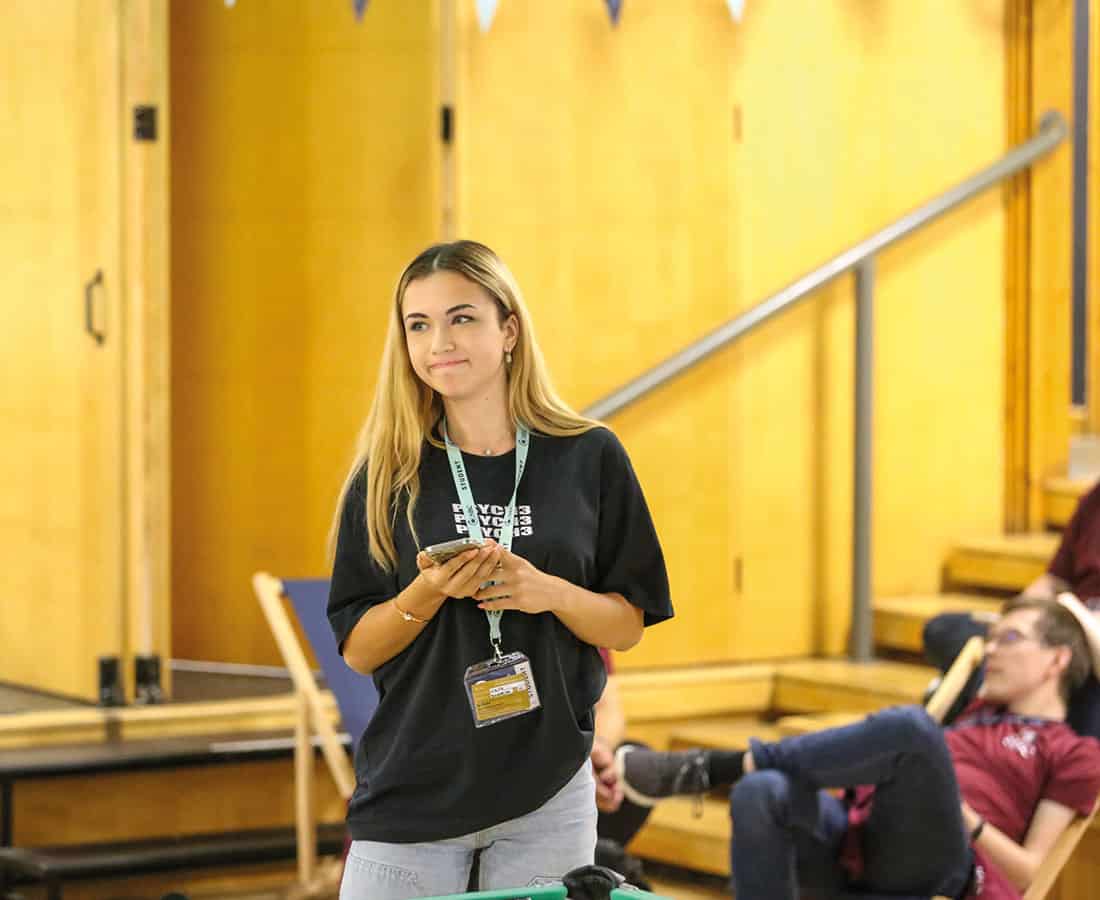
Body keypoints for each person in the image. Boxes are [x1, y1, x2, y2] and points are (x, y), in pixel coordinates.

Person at [326, 240, 674, 899]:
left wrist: (544, 591)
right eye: (418, 325)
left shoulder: (590, 455)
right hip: (413, 789)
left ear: (508, 328)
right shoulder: (385, 474)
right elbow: (359, 650)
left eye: (462, 318)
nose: (438, 343)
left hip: (548, 793)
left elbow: (627, 624)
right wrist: (426, 593)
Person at [617, 596, 1100, 900]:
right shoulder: (969, 714)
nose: (989, 651)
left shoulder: (1073, 751)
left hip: (942, 865)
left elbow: (1029, 875)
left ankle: (716, 767)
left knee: (913, 728)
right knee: (762, 791)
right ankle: (739, 769)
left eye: (1009, 639)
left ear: (1058, 658)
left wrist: (959, 813)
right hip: (862, 833)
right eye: (988, 640)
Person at [924, 481, 1100, 731]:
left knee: (1084, 679)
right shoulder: (1094, 499)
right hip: (1066, 621)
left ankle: (979, 726)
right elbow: (1053, 580)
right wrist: (1014, 618)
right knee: (944, 630)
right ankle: (984, 730)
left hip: (1088, 633)